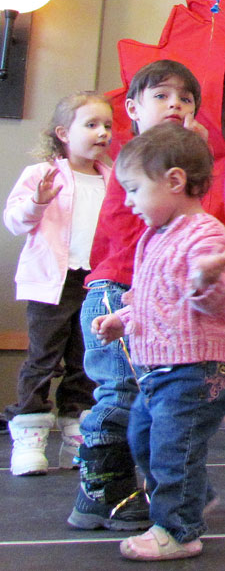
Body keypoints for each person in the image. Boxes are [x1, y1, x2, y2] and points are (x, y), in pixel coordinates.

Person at [68, 58, 225, 530]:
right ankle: (101, 491)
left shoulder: (173, 175)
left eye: (186, 98)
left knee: (147, 409)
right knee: (120, 394)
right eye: (161, 96)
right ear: (133, 109)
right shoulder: (138, 160)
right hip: (117, 289)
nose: (176, 103)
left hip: (147, 300)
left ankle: (168, 491)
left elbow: (195, 226)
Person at [90, 123, 225, 561]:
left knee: (174, 449)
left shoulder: (205, 235)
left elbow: (213, 300)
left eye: (134, 189)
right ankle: (194, 495)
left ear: (175, 181)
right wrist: (123, 318)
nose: (128, 201)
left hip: (197, 369)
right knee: (144, 440)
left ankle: (178, 529)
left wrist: (205, 279)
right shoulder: (154, 238)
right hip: (158, 372)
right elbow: (151, 297)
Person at [3, 92, 113, 476]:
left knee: (86, 359)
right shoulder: (42, 175)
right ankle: (30, 434)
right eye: (92, 125)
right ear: (64, 133)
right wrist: (37, 201)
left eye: (107, 126)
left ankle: (76, 431)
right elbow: (15, 222)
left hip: (94, 283)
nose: (102, 133)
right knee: (43, 358)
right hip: (52, 283)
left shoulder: (111, 179)